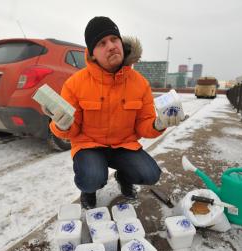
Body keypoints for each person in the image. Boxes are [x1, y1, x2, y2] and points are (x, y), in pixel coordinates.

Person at [42, 16, 183, 209]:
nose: (111, 46)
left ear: (121, 43)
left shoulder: (140, 83)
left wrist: (158, 124)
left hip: (123, 145)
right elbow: (71, 131)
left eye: (114, 39)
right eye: (102, 43)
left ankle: (123, 177)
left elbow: (144, 125)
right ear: (92, 54)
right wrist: (61, 125)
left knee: (151, 174)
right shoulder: (75, 84)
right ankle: (88, 190)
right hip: (89, 145)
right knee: (91, 177)